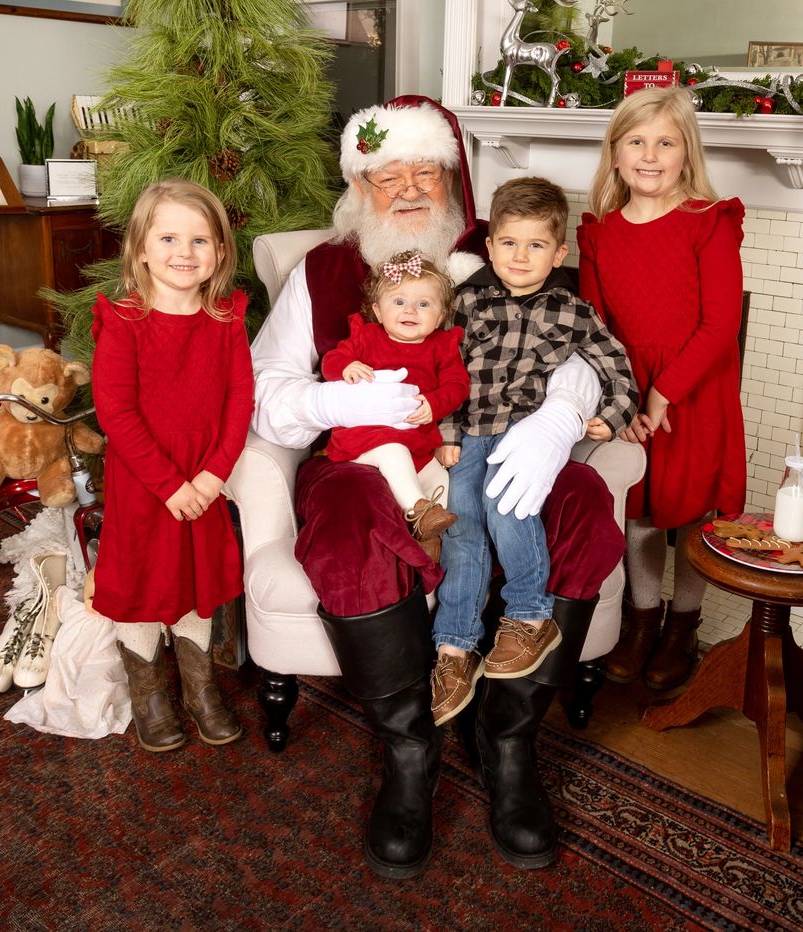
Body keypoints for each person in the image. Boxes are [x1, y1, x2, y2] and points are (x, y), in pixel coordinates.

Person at [250, 97, 625, 879]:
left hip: (483, 453)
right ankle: (410, 749)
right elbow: (267, 391)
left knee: (584, 504)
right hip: (356, 462)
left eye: (428, 171)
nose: (412, 189)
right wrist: (337, 400)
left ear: (453, 182)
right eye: (392, 175)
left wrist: (560, 415)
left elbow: (581, 345)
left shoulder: (502, 258)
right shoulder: (322, 271)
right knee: (349, 518)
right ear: (360, 185)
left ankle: (508, 739)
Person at [430, 177, 638, 726]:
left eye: (537, 245)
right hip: (471, 431)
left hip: (524, 434)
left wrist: (608, 419)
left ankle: (529, 616)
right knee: (462, 522)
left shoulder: (575, 312)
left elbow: (619, 372)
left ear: (559, 252)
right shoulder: (467, 302)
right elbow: (444, 375)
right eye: (509, 243)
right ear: (490, 245)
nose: (520, 256)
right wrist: (448, 436)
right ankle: (455, 649)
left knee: (508, 510)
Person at [578, 86, 747, 691]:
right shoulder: (599, 234)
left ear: (686, 153)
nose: (650, 155)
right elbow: (596, 331)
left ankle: (684, 625)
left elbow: (720, 325)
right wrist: (622, 399)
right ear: (617, 153)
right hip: (632, 391)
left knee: (691, 512)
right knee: (642, 511)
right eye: (637, 141)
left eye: (666, 142)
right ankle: (642, 621)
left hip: (694, 390)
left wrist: (663, 393)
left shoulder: (709, 223)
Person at [90, 178, 253, 753]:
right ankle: (149, 694)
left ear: (220, 253)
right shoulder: (124, 319)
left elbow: (240, 402)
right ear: (140, 249)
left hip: (204, 478)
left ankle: (200, 689)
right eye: (168, 238)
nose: (184, 252)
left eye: (200, 240)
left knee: (195, 583)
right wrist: (167, 484)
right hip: (144, 481)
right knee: (143, 581)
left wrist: (211, 477)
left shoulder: (227, 316)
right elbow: (115, 410)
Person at [320, 250, 469, 555]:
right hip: (368, 441)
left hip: (420, 445)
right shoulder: (367, 338)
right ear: (378, 310)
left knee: (441, 480)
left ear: (440, 316)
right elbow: (331, 361)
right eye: (399, 302)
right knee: (394, 452)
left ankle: (428, 537)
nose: (410, 310)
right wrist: (346, 367)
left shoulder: (441, 346)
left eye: (423, 304)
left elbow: (458, 385)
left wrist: (435, 401)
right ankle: (419, 510)